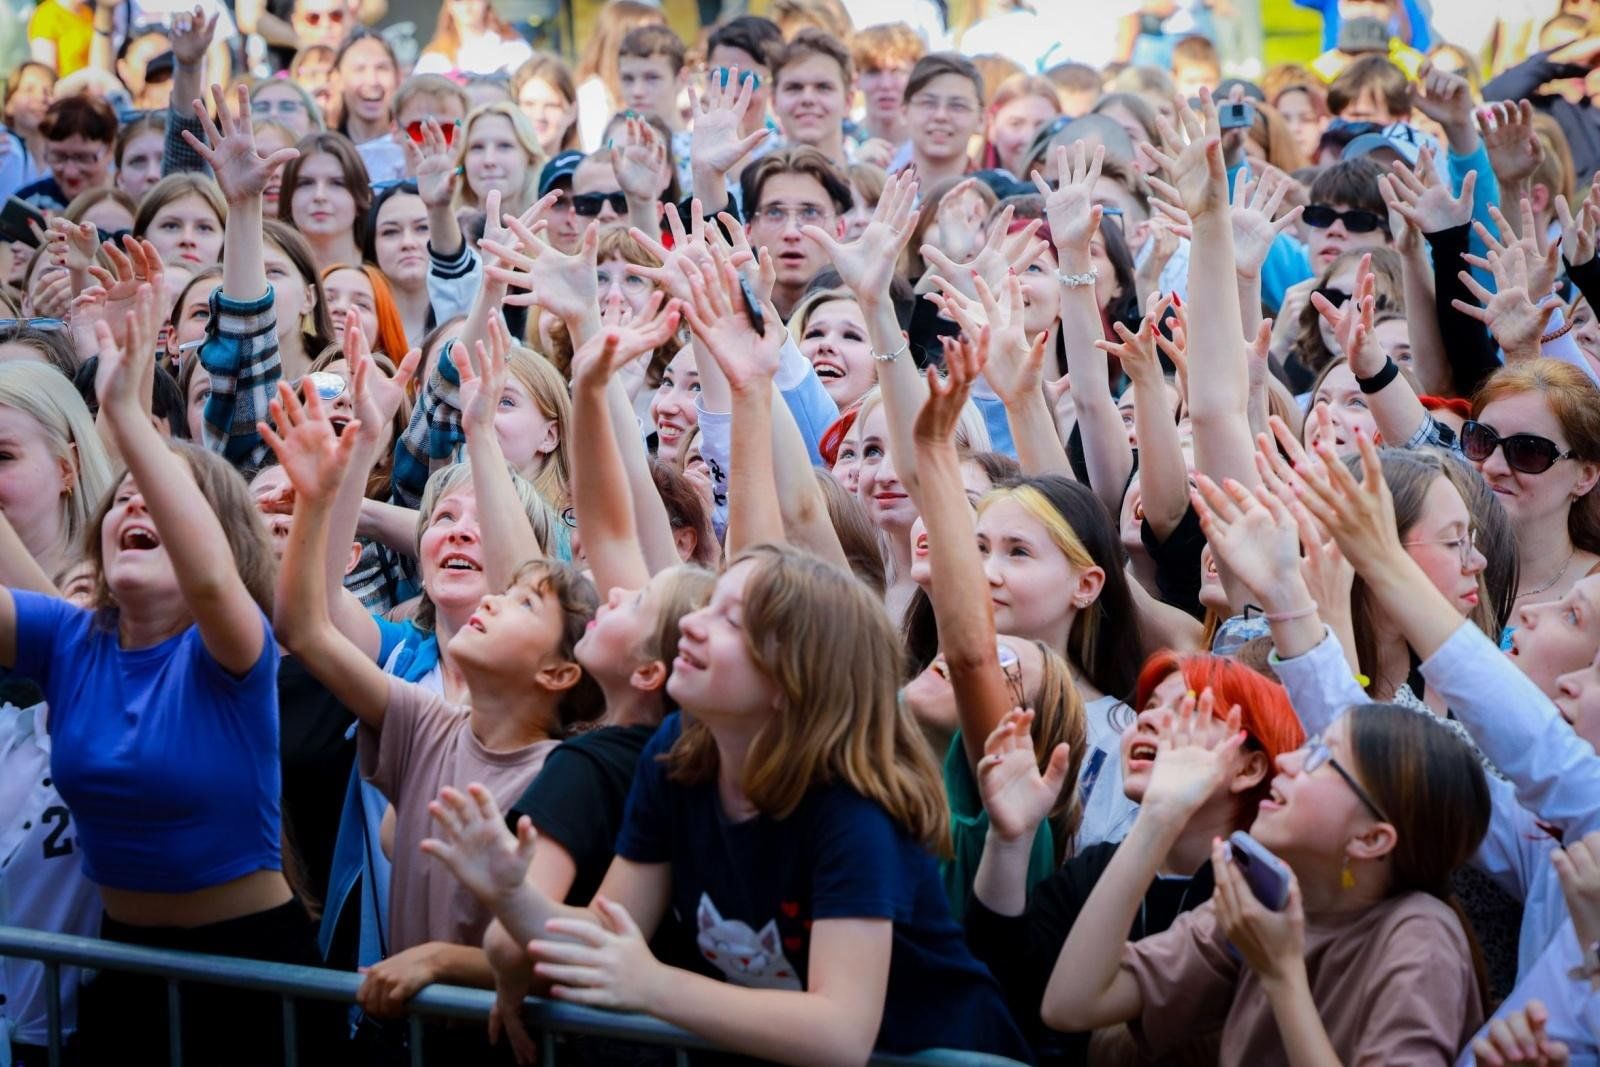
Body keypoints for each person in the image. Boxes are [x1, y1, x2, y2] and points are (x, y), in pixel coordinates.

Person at [16, 92, 116, 213]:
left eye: (83, 158)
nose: (70, 172)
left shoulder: (131, 203)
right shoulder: (27, 206)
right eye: (59, 156)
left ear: (110, 151)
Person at [414, 0, 533, 77]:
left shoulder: (514, 49)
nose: (467, 5)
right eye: (458, 0)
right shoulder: (433, 58)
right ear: (448, 4)